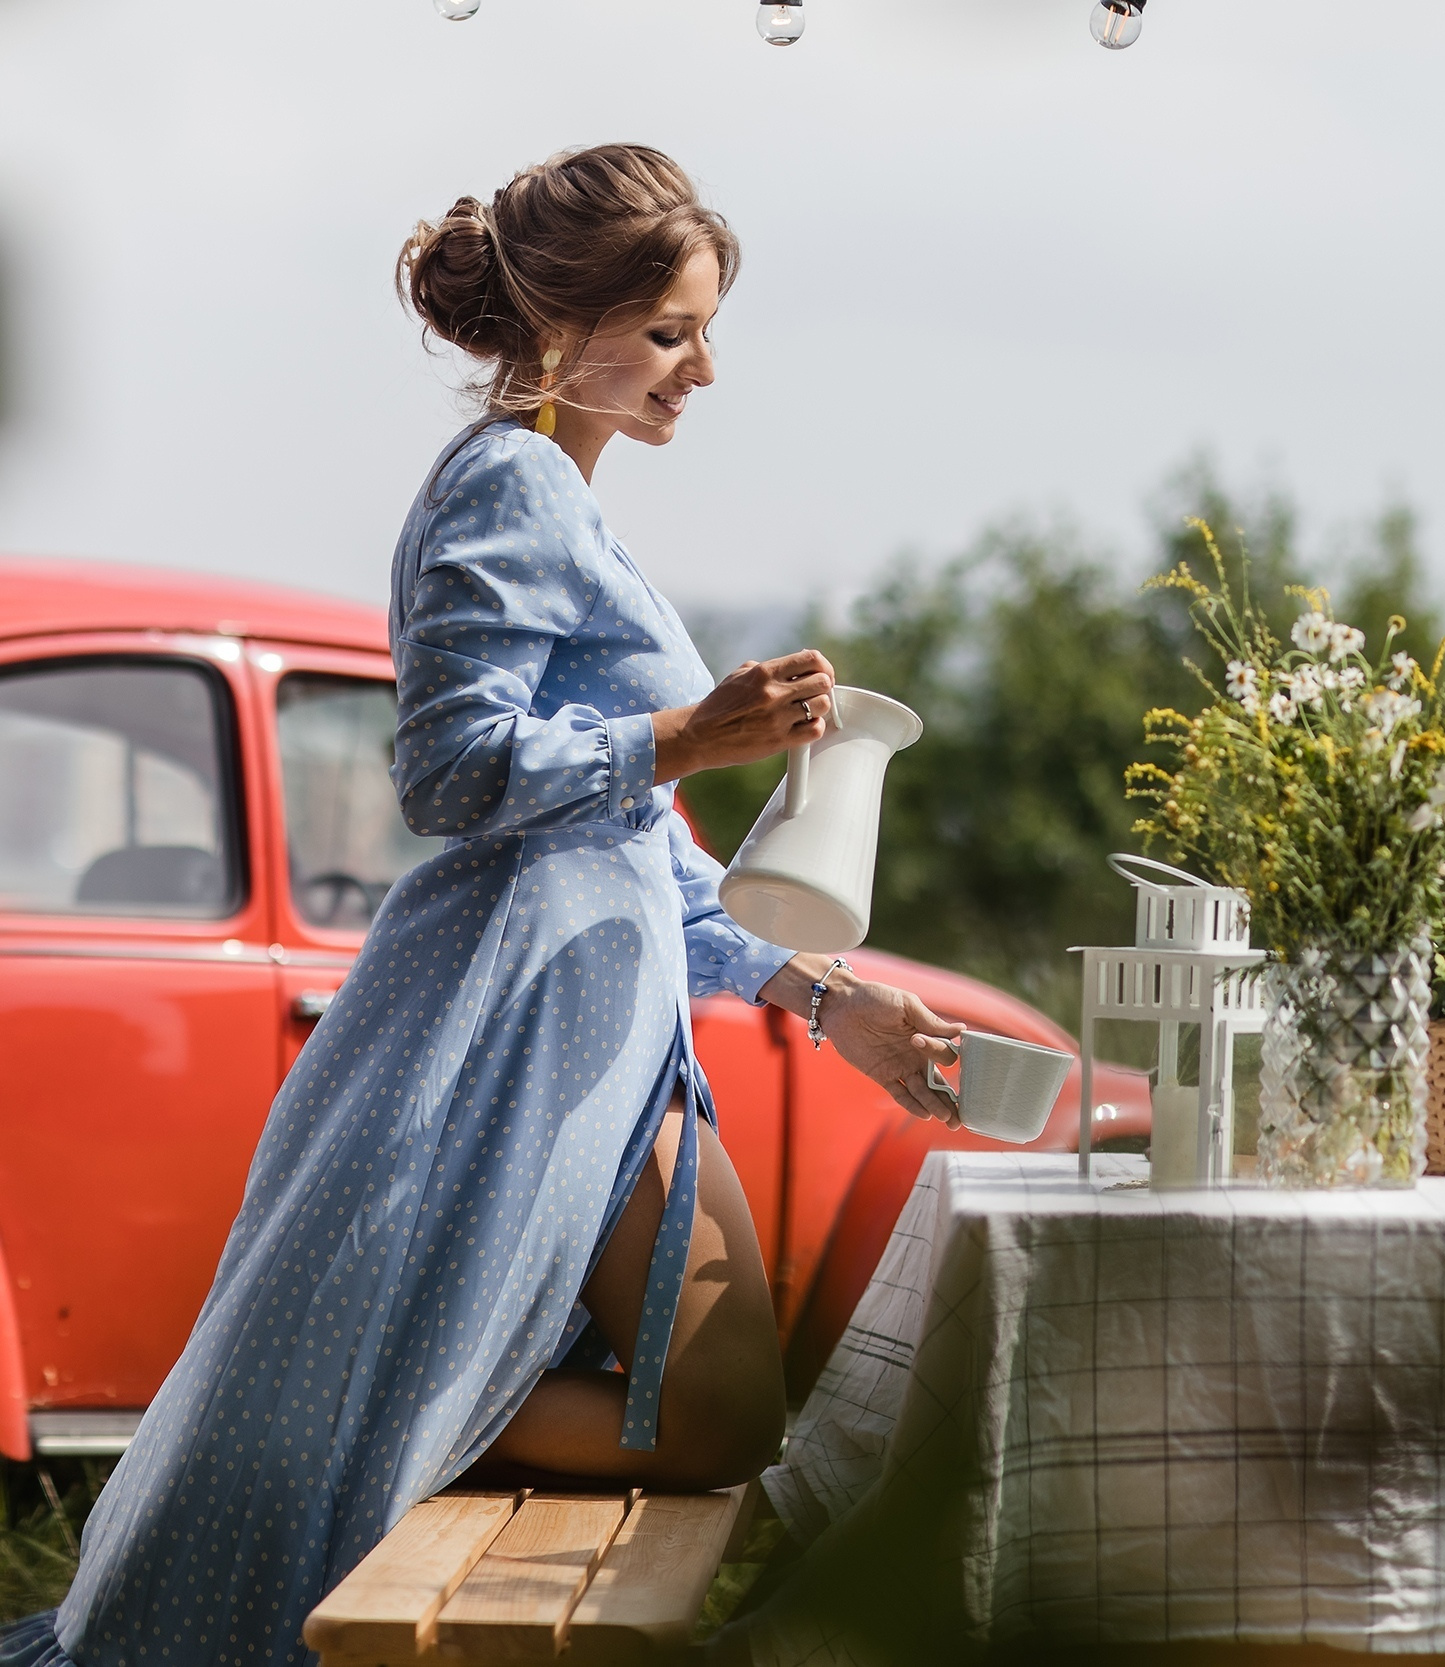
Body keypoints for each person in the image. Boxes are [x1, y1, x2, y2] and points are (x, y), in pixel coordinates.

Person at [0, 144, 964, 1667]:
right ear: (554, 321)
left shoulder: (568, 496)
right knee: (721, 1412)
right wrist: (689, 734)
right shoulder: (511, 479)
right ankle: (365, 1437)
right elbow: (448, 772)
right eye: (666, 332)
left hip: (606, 1032)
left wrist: (829, 998)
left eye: (704, 331)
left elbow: (641, 846)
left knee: (721, 1410)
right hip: (504, 1034)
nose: (701, 369)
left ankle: (367, 1428)